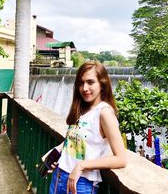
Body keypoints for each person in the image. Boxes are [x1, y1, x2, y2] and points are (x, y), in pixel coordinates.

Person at [44, 61, 127, 194]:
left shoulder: (104, 112)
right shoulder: (82, 108)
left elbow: (121, 159)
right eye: (81, 83)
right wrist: (55, 152)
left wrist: (82, 165)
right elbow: (73, 140)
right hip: (59, 176)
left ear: (102, 84)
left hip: (80, 184)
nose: (84, 88)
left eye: (90, 82)